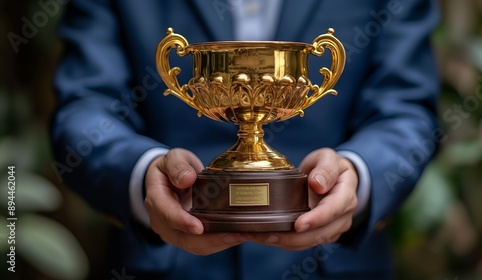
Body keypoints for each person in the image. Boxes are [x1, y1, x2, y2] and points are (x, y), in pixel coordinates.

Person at [51, 0, 440, 279]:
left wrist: (357, 174)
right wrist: (141, 174)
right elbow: (84, 107)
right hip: (163, 265)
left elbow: (406, 109)